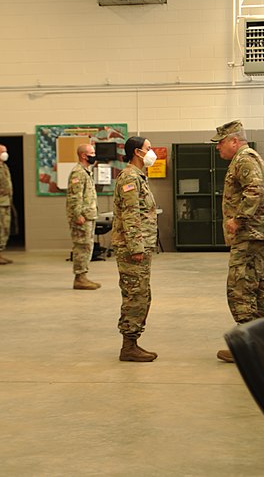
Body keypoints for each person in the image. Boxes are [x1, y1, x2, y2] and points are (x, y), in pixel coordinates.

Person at [211, 120, 264, 363]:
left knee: (239, 286)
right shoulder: (249, 158)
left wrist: (238, 219)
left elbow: (254, 190)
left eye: (220, 143)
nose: (218, 148)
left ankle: (249, 348)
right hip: (258, 233)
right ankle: (263, 342)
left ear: (234, 141)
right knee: (256, 283)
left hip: (250, 233)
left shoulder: (244, 159)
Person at [112, 136, 158, 362]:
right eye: (149, 148)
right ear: (138, 153)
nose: (152, 152)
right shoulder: (130, 177)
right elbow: (131, 215)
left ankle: (132, 342)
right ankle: (128, 346)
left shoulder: (139, 177)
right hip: (133, 248)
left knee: (142, 294)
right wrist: (136, 247)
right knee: (135, 295)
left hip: (140, 245)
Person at [66, 143, 101, 290]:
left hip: (88, 215)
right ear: (83, 155)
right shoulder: (78, 172)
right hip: (82, 217)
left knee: (87, 246)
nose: (94, 155)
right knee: (82, 246)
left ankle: (83, 276)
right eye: (92, 153)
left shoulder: (86, 171)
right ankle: (79, 278)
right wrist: (77, 215)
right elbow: (74, 197)